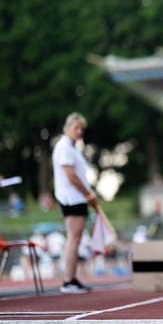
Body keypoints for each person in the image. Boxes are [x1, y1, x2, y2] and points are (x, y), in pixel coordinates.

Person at [52, 112, 98, 293]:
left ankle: (71, 278)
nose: (79, 132)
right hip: (72, 198)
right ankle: (68, 280)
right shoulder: (64, 147)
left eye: (81, 129)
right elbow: (71, 175)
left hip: (76, 197)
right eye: (76, 128)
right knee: (73, 238)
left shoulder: (72, 147)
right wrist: (88, 195)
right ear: (67, 128)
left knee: (76, 239)